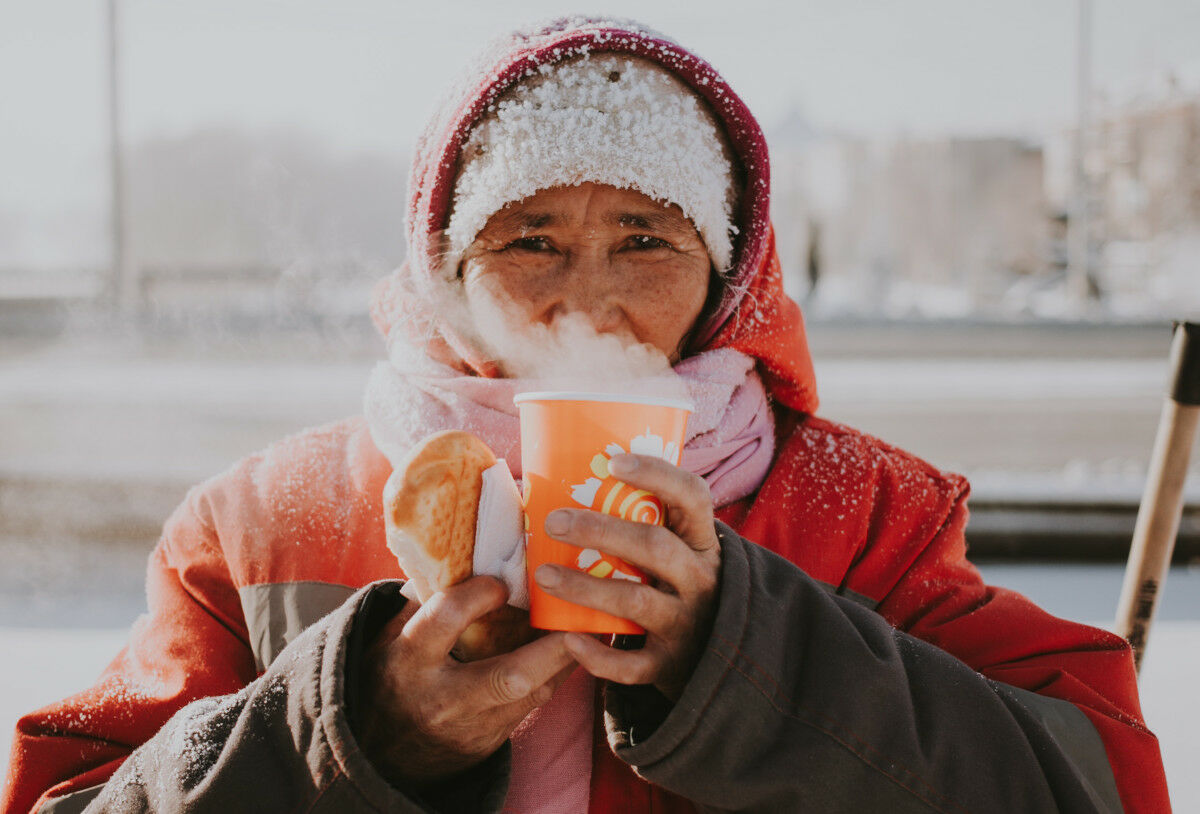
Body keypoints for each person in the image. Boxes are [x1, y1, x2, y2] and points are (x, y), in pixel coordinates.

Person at [4, 16, 1169, 813]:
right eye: (530, 241)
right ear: (442, 266)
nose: (590, 299)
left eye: (648, 241)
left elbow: (1101, 781)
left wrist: (745, 652)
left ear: (725, 277)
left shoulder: (867, 515)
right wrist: (357, 730)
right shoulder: (260, 528)